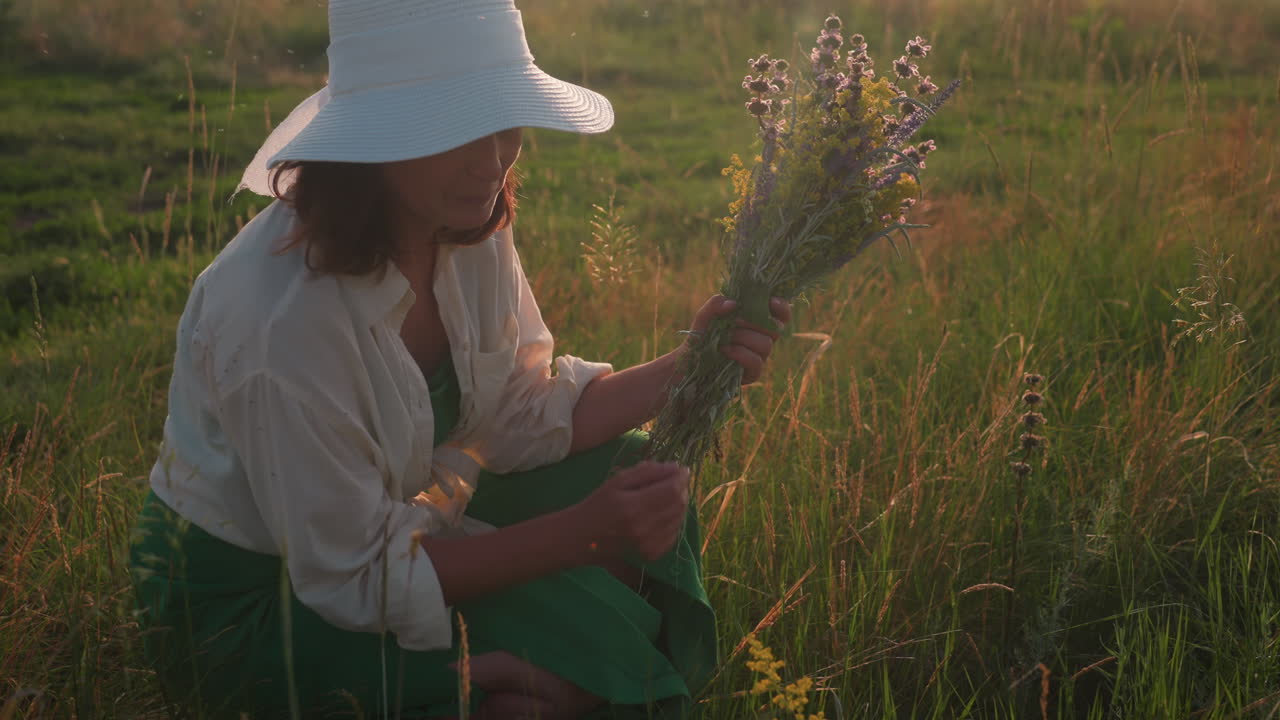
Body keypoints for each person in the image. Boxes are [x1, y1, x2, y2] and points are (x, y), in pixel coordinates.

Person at [129, 0, 790, 717]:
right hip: (258, 600)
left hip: (392, 523)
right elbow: (359, 575)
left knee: (632, 468)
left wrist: (691, 365)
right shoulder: (278, 321)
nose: (493, 159)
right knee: (514, 694)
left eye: (505, 122)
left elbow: (515, 410)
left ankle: (593, 663)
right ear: (375, 136)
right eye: (456, 129)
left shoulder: (459, 220)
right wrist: (587, 532)